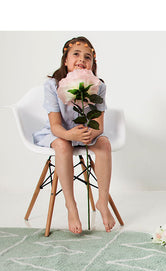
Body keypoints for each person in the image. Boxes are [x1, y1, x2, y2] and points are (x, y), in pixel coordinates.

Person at [33, 36, 115, 234]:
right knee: (63, 145)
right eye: (76, 54)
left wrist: (91, 133)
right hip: (61, 132)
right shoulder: (52, 85)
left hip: (84, 132)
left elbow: (99, 126)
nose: (81, 59)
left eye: (87, 57)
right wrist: (69, 135)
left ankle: (102, 201)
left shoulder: (98, 86)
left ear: (93, 63)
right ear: (65, 60)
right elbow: (55, 126)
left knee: (104, 143)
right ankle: (71, 206)